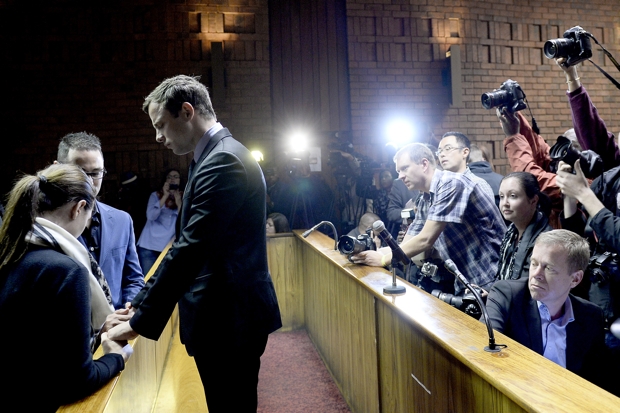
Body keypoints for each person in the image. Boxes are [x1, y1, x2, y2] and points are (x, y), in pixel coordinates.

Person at [108, 74, 282, 412]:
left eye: (161, 125)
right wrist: (137, 305)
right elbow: (184, 244)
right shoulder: (213, 156)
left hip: (230, 319)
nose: (158, 137)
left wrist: (137, 324)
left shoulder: (223, 160)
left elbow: (190, 249)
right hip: (225, 316)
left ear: (187, 112)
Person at [0, 164, 130, 411]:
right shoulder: (66, 270)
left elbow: (38, 340)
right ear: (78, 208)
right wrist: (116, 357)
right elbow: (77, 381)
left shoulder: (11, 249)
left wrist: (98, 331)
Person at [351, 143, 506, 295]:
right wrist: (370, 253)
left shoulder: (451, 184)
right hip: (469, 282)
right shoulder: (424, 198)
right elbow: (406, 243)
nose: (400, 176)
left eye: (404, 168)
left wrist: (383, 259)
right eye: (398, 171)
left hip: (491, 278)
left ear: (424, 164)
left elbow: (426, 239)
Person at [485, 230, 610, 392]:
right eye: (534, 263)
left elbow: (598, 381)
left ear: (575, 279)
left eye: (549, 268)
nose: (536, 275)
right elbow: (485, 349)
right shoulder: (507, 295)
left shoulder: (591, 317)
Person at [555, 58, 620, 356]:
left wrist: (584, 194)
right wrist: (571, 195)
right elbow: (581, 241)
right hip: (602, 306)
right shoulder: (611, 179)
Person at [57, 132, 145, 310]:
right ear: (57, 169)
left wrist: (128, 308)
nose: (89, 181)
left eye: (96, 173)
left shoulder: (122, 220)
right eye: (80, 172)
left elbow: (133, 279)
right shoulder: (44, 224)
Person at [497, 107, 579, 228]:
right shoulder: (559, 163)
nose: (564, 154)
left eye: (574, 149)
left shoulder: (588, 183)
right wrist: (511, 109)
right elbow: (539, 151)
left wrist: (513, 136)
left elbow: (534, 180)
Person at [496, 172, 552, 282]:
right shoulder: (511, 231)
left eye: (512, 196)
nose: (505, 203)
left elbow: (529, 285)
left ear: (533, 200)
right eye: (502, 196)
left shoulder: (545, 240)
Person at [136, 168, 183, 275]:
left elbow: (184, 221)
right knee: (148, 279)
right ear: (165, 180)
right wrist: (165, 196)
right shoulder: (155, 195)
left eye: (176, 177)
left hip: (168, 247)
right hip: (149, 245)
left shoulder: (183, 196)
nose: (172, 179)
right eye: (169, 177)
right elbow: (151, 216)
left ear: (180, 180)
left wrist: (179, 203)